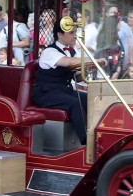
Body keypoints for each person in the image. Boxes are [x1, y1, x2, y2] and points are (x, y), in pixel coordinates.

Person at [32, 17, 106, 145]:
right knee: (74, 103)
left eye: (75, 32)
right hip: (46, 93)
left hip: (64, 91)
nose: (75, 36)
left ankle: (99, 133)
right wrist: (94, 61)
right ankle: (86, 143)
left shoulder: (71, 51)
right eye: (71, 33)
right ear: (60, 35)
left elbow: (75, 75)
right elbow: (68, 62)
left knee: (92, 99)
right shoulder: (49, 51)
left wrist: (88, 70)